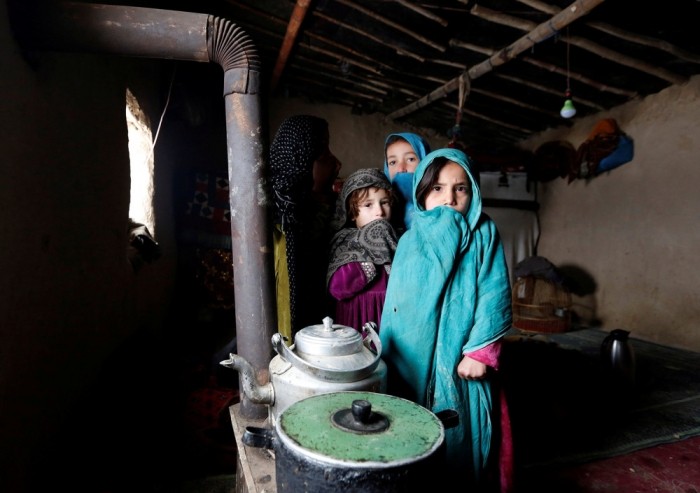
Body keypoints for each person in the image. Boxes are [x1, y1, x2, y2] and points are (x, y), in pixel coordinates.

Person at [379, 147, 514, 493]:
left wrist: (480, 352)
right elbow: (397, 302)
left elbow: (494, 292)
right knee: (410, 428)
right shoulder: (410, 239)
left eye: (461, 188)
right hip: (410, 357)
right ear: (422, 193)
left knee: (460, 432)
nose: (449, 199)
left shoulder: (483, 233)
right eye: (437, 188)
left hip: (461, 360)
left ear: (474, 192)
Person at [269, 115, 342, 342]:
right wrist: (320, 195)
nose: (336, 163)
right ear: (301, 158)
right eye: (323, 154)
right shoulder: (279, 211)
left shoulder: (320, 203)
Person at [326, 168, 397, 333]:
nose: (379, 212)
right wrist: (372, 257)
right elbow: (338, 289)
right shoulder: (345, 241)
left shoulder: (399, 238)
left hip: (392, 323)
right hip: (358, 322)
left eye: (385, 202)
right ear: (351, 213)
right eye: (368, 205)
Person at [382, 132, 431, 233]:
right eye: (393, 162)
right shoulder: (379, 207)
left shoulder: (440, 203)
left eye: (410, 159)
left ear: (425, 162)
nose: (401, 169)